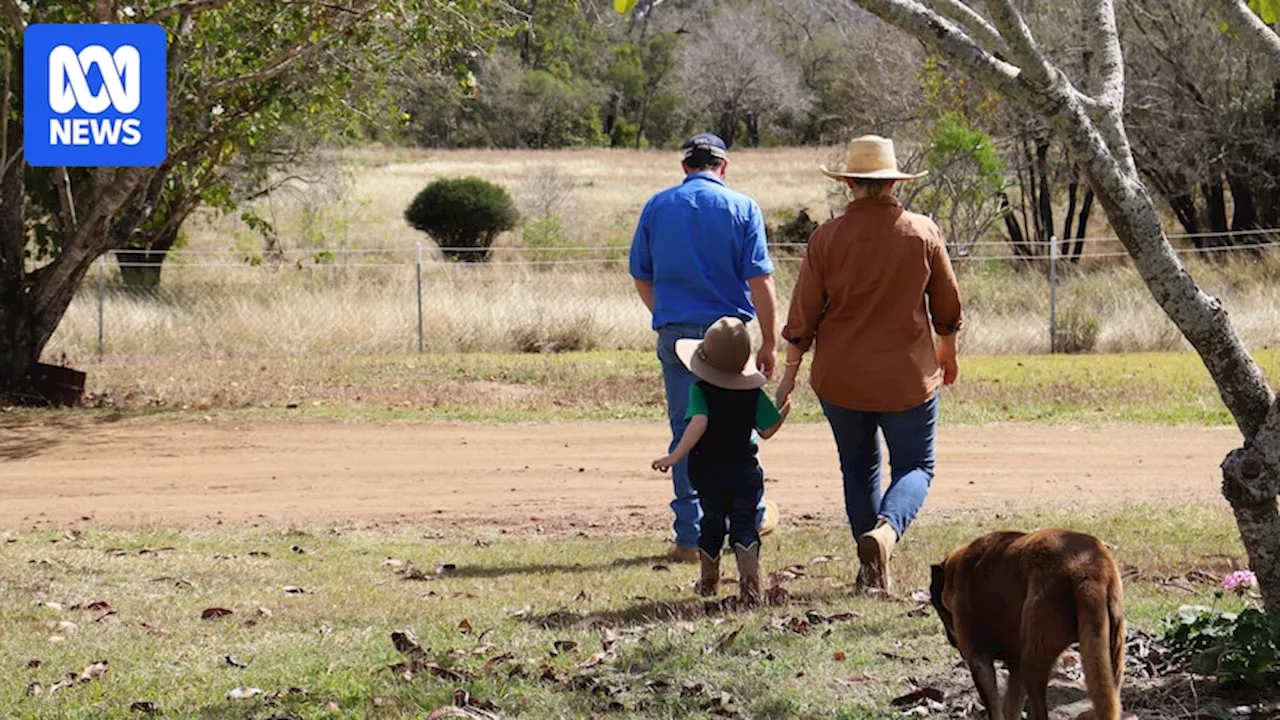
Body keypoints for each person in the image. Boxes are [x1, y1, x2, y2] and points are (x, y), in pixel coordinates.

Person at [774, 135, 963, 593]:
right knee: (916, 466)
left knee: (858, 469)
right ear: (895, 183)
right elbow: (947, 306)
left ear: (849, 185)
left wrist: (789, 377)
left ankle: (872, 572)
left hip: (841, 377)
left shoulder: (826, 237)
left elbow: (804, 315)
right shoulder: (922, 232)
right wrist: (948, 351)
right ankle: (887, 532)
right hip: (907, 375)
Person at [630, 132, 781, 564]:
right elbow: (761, 280)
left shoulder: (658, 206)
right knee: (739, 429)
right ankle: (746, 522)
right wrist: (770, 340)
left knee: (686, 430)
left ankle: (690, 535)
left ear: (685, 168)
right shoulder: (743, 207)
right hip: (731, 336)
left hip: (677, 331)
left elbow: (642, 274)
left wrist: (665, 314)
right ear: (724, 168)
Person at [652, 316, 790, 605]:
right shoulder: (753, 394)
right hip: (745, 471)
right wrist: (782, 413)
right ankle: (751, 586)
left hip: (708, 471)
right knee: (744, 524)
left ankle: (709, 581)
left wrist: (675, 455)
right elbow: (766, 431)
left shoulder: (699, 391)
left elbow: (698, 423)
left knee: (712, 522)